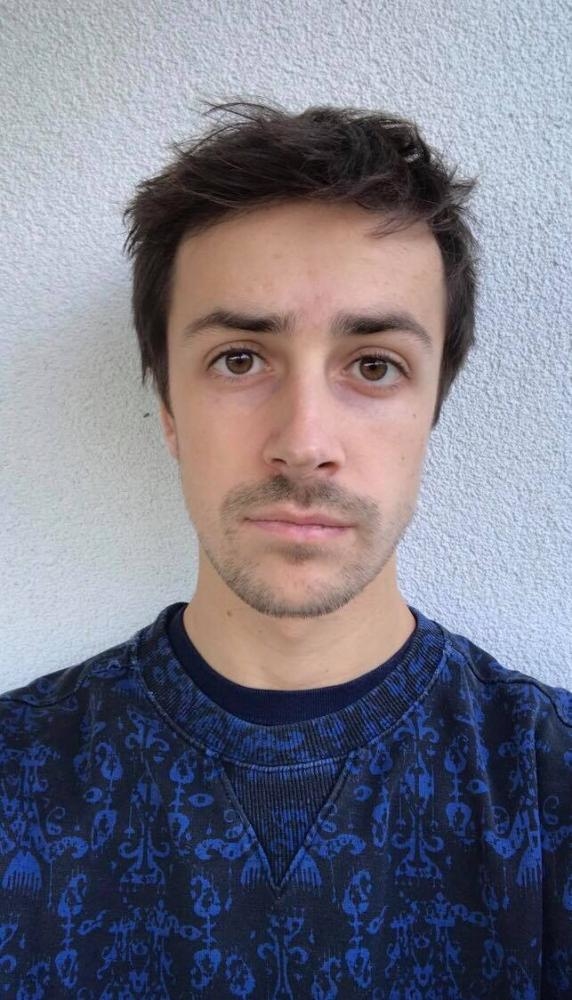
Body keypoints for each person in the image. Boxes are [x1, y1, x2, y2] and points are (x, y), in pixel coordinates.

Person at [1, 99, 570, 1000]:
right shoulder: (16, 778)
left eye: (374, 365)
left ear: (433, 408)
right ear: (169, 409)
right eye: (239, 359)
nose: (304, 444)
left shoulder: (551, 786)